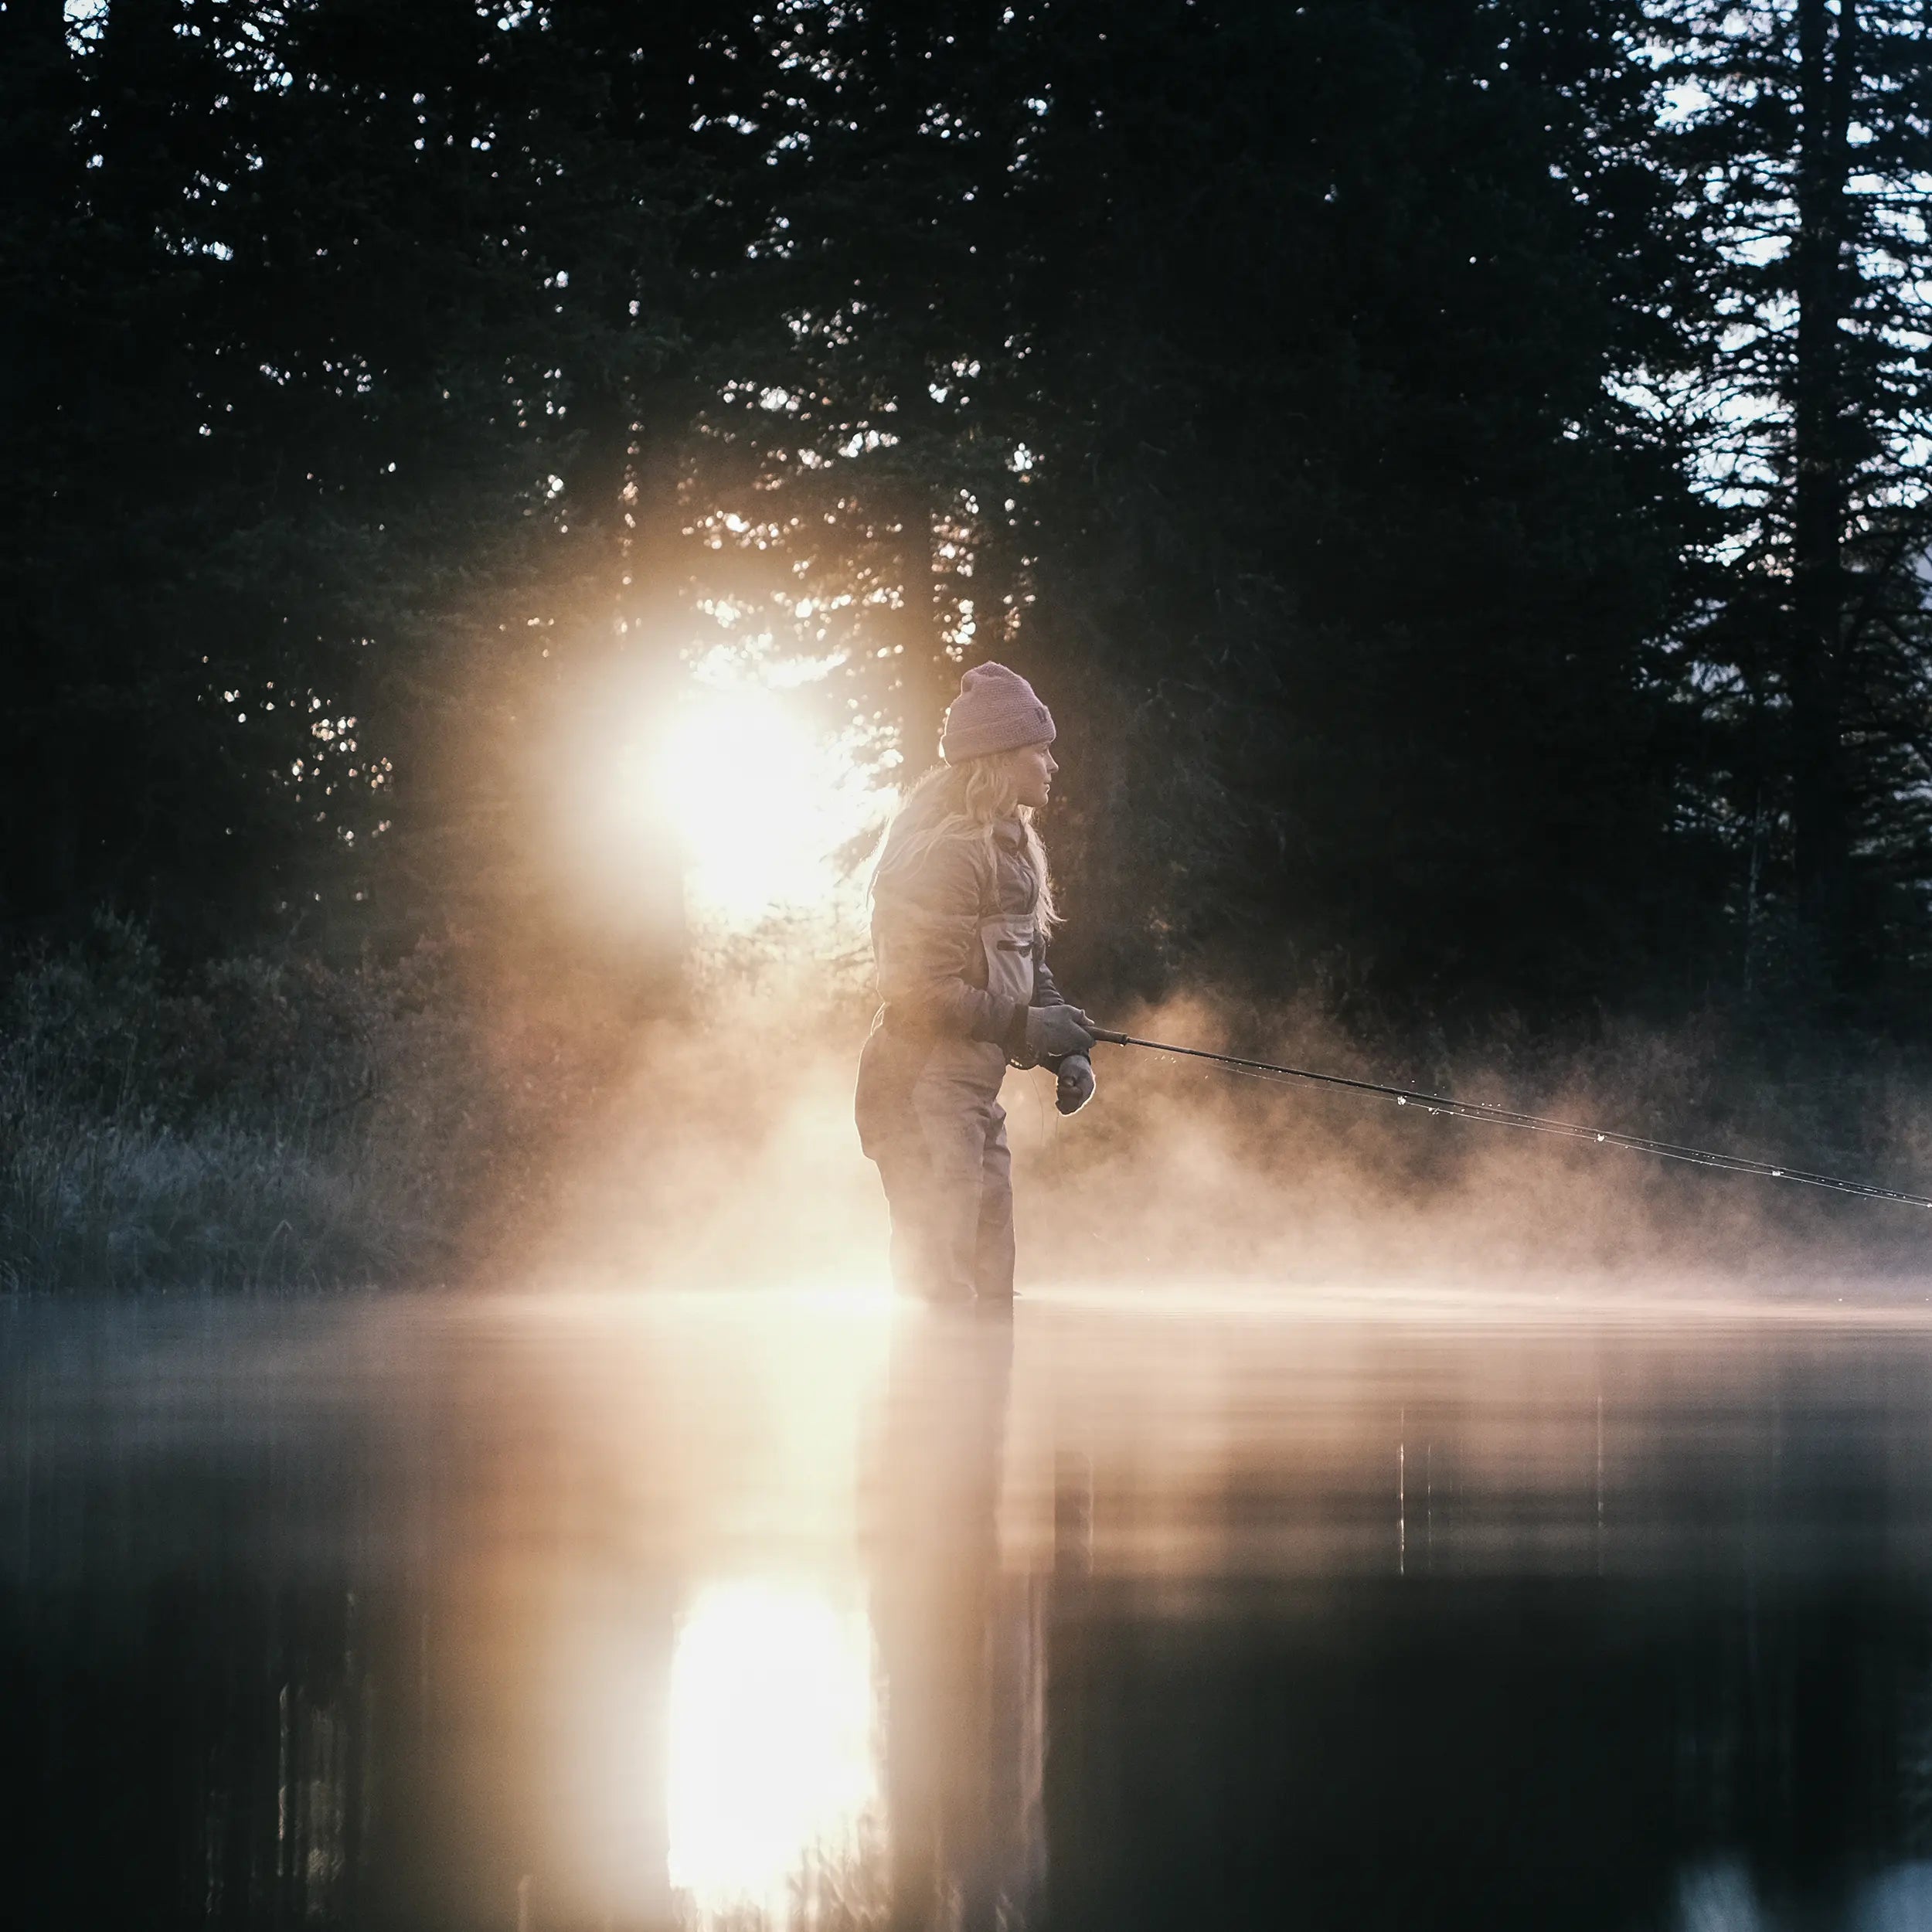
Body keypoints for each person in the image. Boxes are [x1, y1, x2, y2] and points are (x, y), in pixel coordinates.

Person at [855, 662, 1097, 1302]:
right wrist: (1024, 1026)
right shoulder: (946, 851)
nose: (1052, 766)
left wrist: (1064, 1045)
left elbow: (1027, 967)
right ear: (1000, 758)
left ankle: (979, 1405)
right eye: (1039, 751)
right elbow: (914, 989)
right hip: (917, 1098)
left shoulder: (1012, 845)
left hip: (972, 1101)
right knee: (941, 1291)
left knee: (991, 1288)